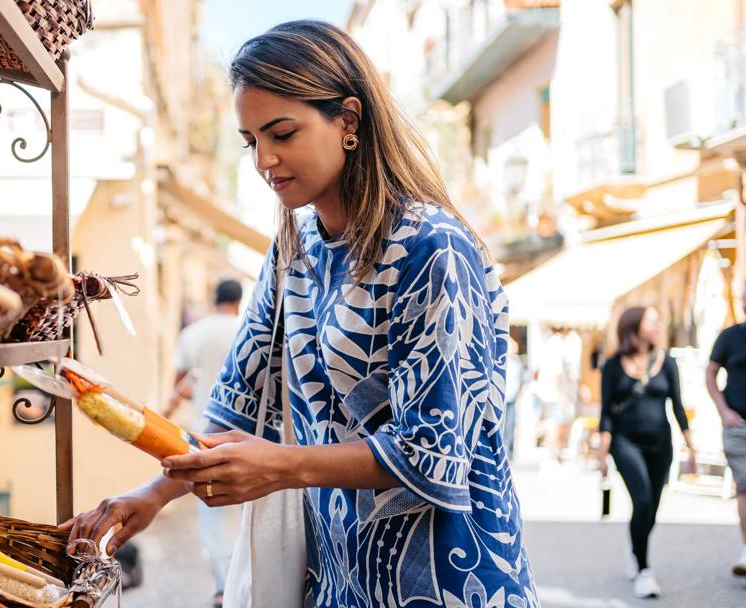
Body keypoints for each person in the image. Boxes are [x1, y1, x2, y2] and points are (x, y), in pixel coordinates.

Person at [60, 20, 537, 607]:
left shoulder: (431, 248)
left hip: (450, 579)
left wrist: (284, 466)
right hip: (338, 579)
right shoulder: (295, 251)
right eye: (250, 139)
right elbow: (240, 402)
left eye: (281, 132)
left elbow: (432, 452)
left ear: (349, 121)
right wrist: (152, 494)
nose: (264, 158)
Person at [596, 306, 697, 599]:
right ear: (634, 326)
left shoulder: (667, 362)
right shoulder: (612, 366)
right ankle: (644, 570)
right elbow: (606, 414)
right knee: (641, 502)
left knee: (651, 508)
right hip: (625, 443)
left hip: (661, 445)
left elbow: (677, 406)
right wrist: (602, 454)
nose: (658, 324)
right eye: (652, 320)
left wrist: (691, 445)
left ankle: (635, 547)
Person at [162, 279, 244, 607]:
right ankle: (241, 580)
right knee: (246, 514)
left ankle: (222, 585)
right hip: (247, 436)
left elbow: (178, 382)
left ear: (214, 299)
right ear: (237, 301)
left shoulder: (193, 333)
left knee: (210, 514)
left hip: (203, 434)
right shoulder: (246, 328)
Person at [707, 285, 746, 577]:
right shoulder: (729, 337)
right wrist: (723, 410)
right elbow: (710, 372)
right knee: (745, 488)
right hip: (739, 426)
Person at [534, 327, 581, 462]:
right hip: (555, 393)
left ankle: (554, 453)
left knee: (553, 423)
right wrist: (562, 394)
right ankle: (554, 453)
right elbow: (557, 373)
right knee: (555, 424)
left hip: (550, 392)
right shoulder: (556, 345)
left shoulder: (550, 343)